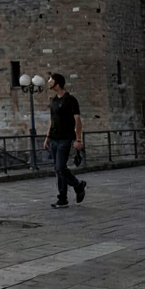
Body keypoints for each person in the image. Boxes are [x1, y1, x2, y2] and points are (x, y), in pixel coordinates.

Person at [41, 73, 86, 208]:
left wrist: (78, 139)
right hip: (54, 138)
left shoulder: (71, 100)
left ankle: (77, 184)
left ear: (58, 83)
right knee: (58, 169)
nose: (49, 82)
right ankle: (63, 197)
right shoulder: (54, 101)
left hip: (65, 138)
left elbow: (77, 120)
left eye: (51, 80)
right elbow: (52, 120)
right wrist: (47, 137)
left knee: (60, 167)